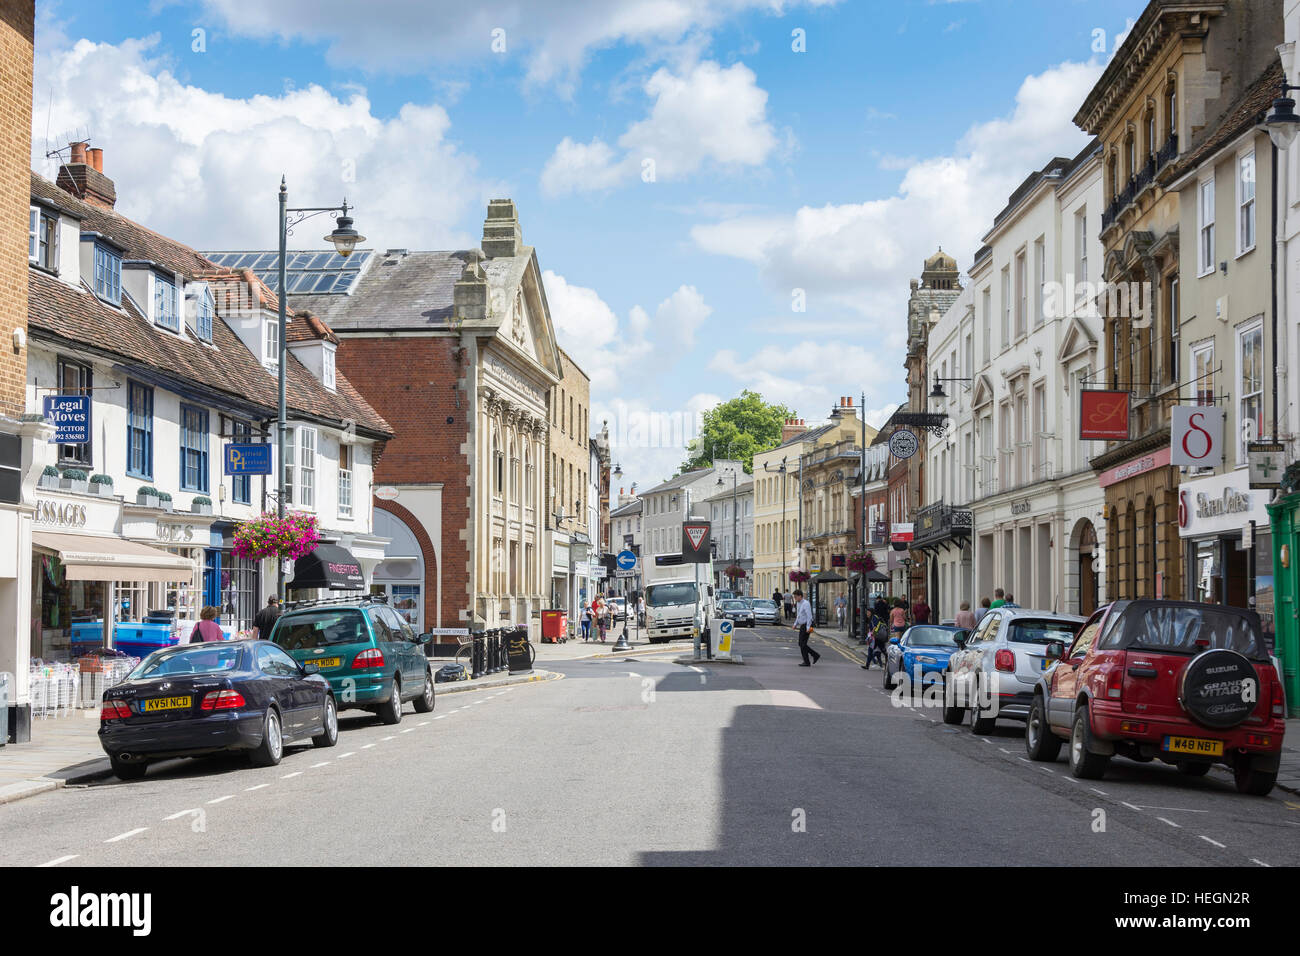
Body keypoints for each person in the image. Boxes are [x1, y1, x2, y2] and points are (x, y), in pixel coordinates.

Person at [792, 588, 820, 666]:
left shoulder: (806, 603)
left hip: (807, 625)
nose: (795, 598)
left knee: (802, 644)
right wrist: (795, 624)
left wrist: (808, 627)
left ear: (800, 596)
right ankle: (811, 658)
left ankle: (812, 657)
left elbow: (809, 616)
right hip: (802, 625)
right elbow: (799, 615)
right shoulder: (798, 603)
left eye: (795, 597)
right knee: (801, 644)